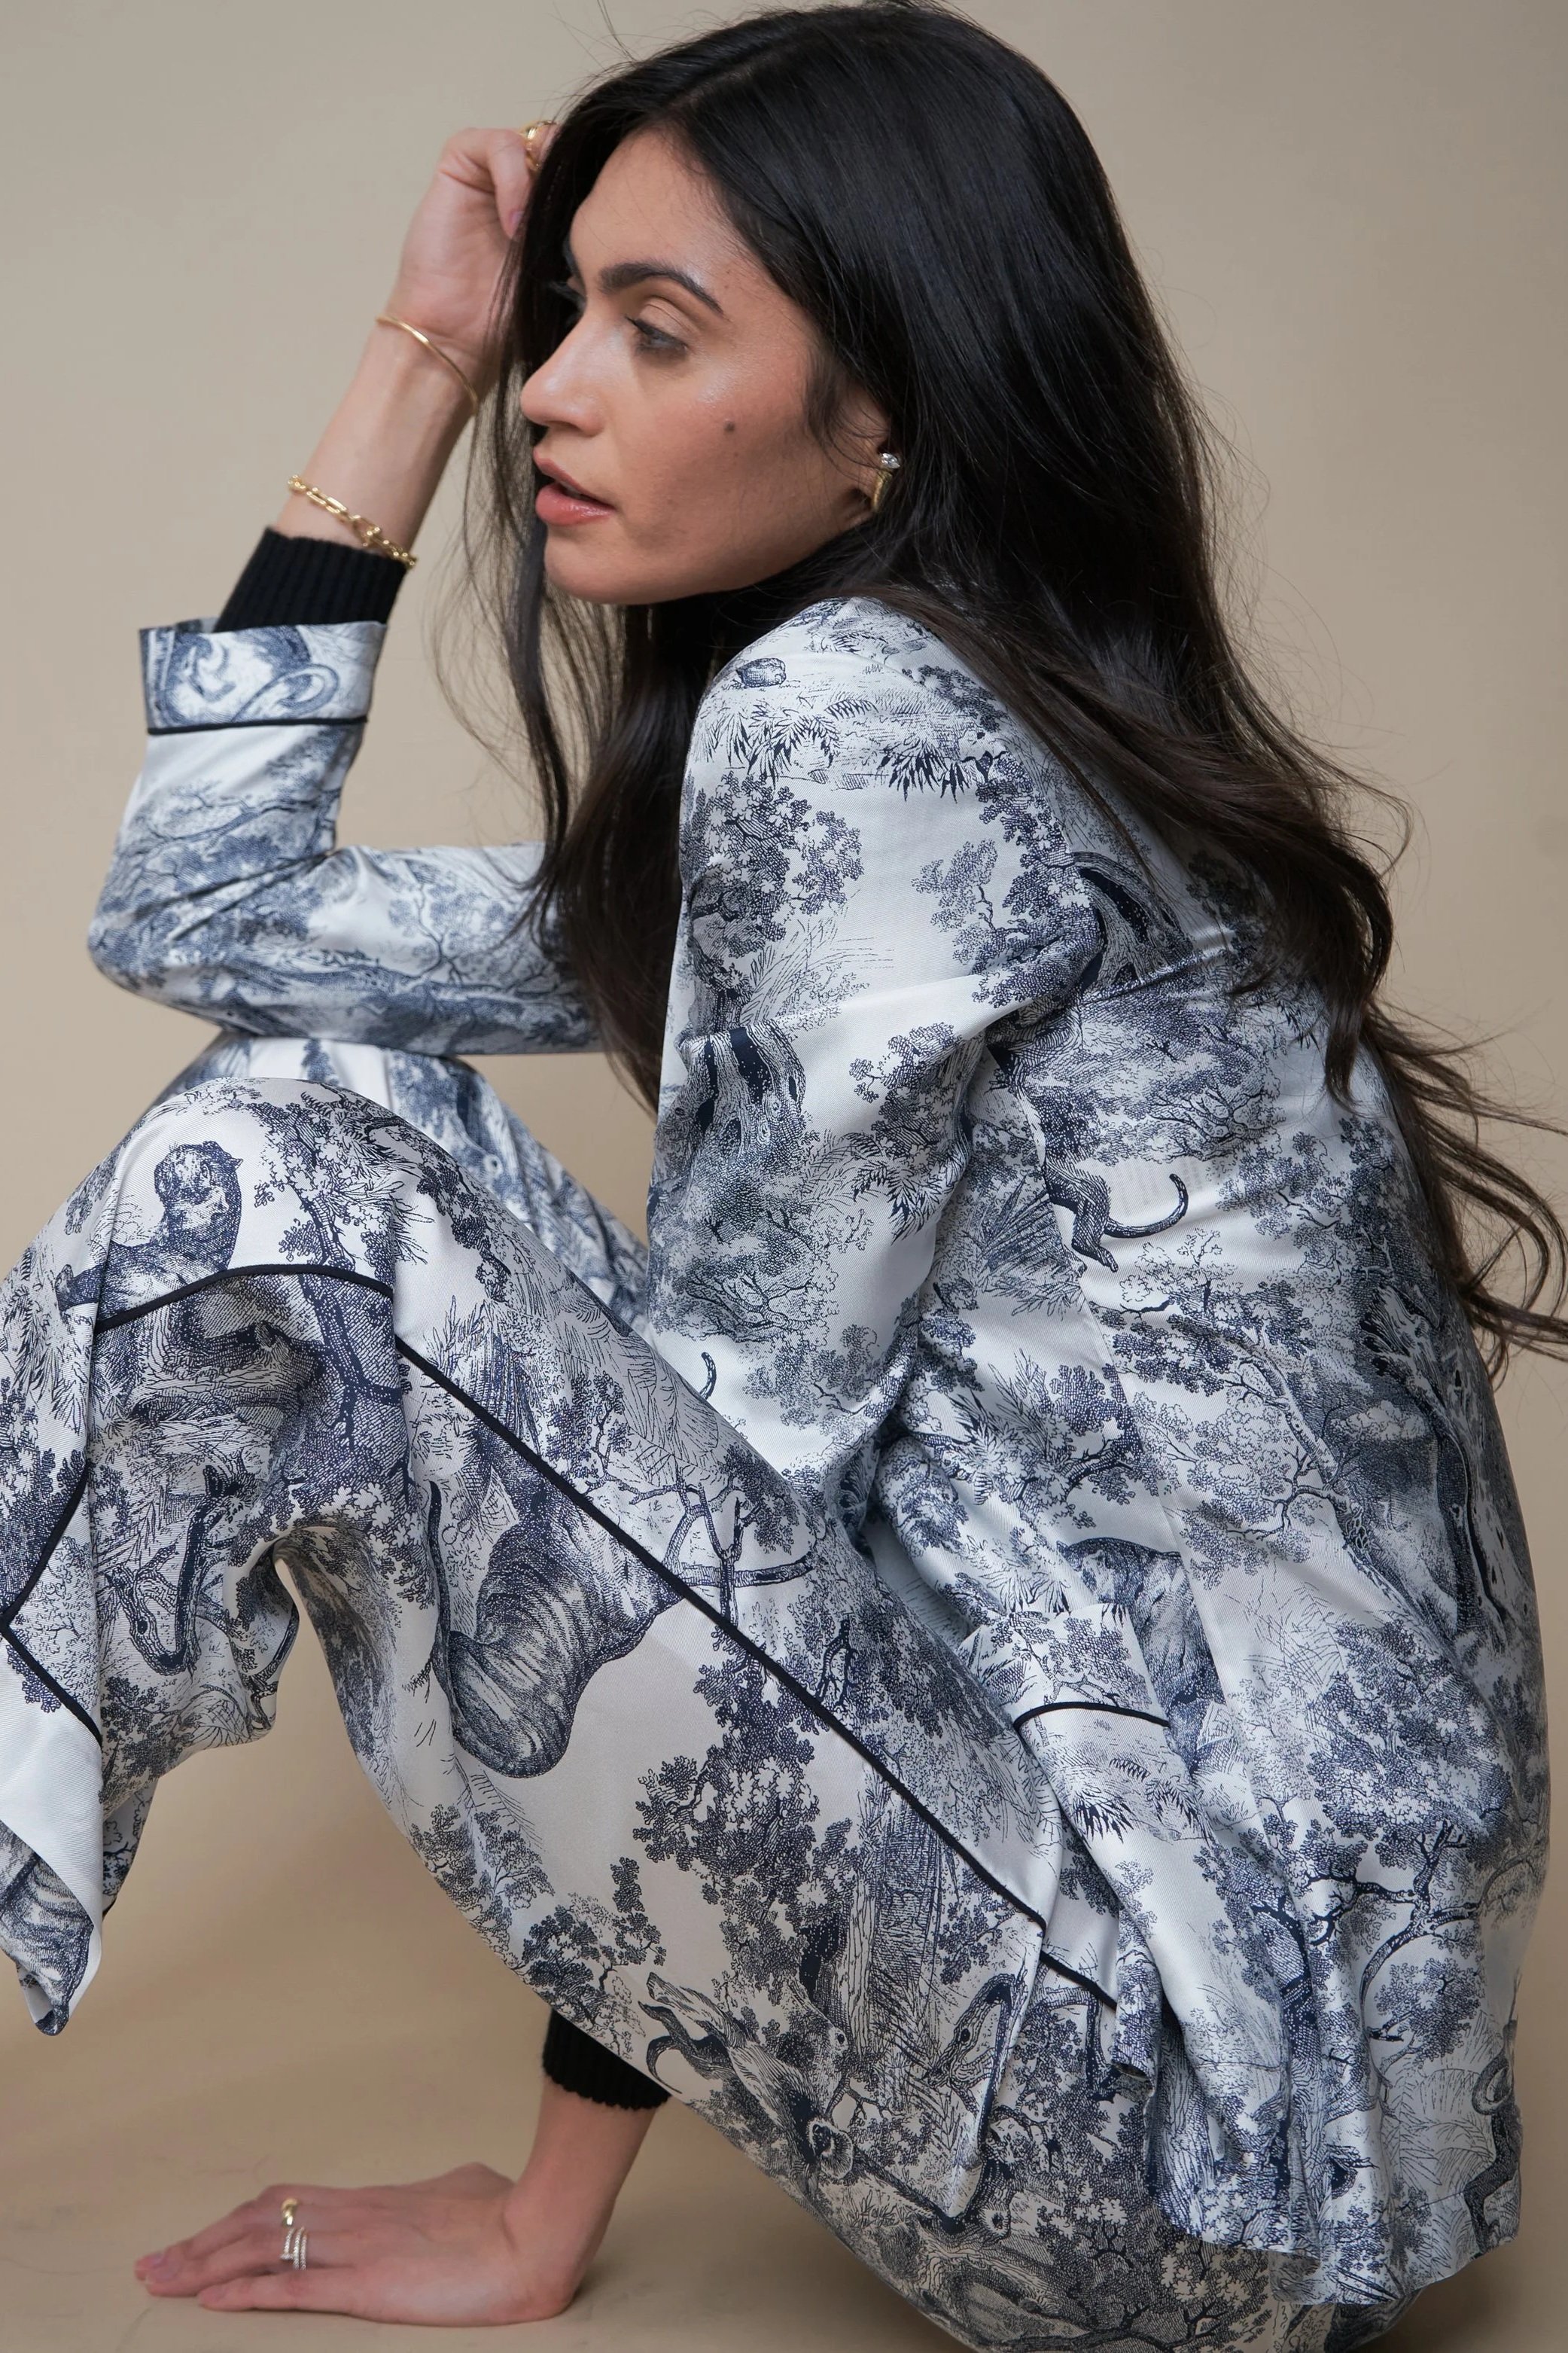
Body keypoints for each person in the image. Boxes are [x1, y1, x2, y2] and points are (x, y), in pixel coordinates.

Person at [0, 5, 1560, 2345]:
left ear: (888, 418)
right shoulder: (981, 737)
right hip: (1262, 2149)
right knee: (287, 1091)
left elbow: (738, 1497)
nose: (553, 386)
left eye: (656, 329)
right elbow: (195, 914)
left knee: (284, 1157)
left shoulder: (863, 735)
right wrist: (422, 345)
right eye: (558, 322)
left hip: (1154, 2154)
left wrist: (544, 2220)